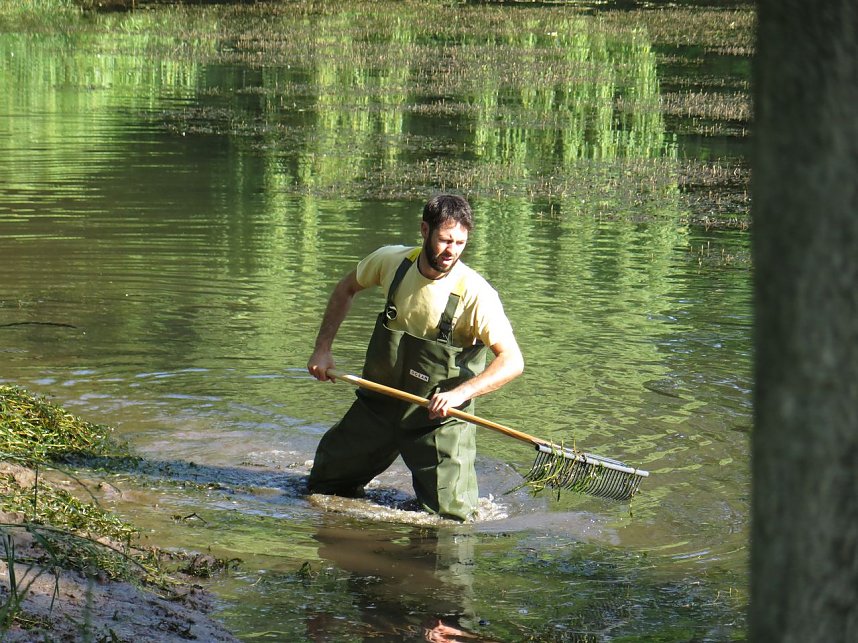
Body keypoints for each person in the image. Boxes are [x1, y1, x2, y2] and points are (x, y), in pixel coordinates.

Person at [306, 194, 524, 521]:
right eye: (445, 239)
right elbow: (345, 289)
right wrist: (322, 348)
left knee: (451, 520)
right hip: (378, 404)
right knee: (323, 484)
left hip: (438, 419)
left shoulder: (477, 294)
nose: (452, 250)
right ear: (424, 230)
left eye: (460, 242)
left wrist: (460, 393)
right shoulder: (392, 262)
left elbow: (512, 361)